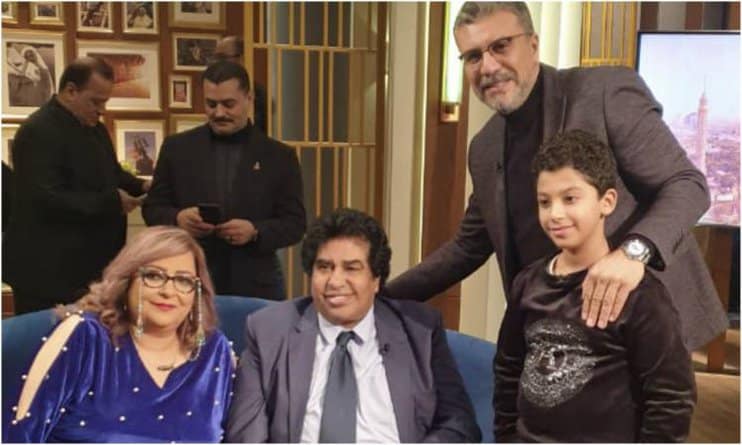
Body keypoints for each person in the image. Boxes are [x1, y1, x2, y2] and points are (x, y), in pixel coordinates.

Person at [385, 1, 727, 351]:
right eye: (473, 56)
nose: (488, 66)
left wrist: (631, 254)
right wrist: (377, 298)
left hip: (642, 329)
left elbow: (687, 185)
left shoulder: (603, 93)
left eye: (500, 46)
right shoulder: (485, 147)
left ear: (533, 44)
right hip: (555, 339)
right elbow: (467, 248)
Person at [494, 130, 695, 442]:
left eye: (570, 199)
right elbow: (508, 370)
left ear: (607, 202)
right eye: (544, 202)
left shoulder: (640, 296)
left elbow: (671, 399)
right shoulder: (528, 283)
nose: (555, 214)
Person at [225, 208, 481, 443]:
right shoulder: (269, 330)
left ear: (376, 279)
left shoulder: (420, 331)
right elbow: (245, 436)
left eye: (351, 268)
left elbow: (459, 425)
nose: (335, 282)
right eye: (324, 267)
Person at [3, 226, 235, 443]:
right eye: (153, 276)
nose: (168, 291)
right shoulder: (84, 336)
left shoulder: (215, 350)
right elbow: (20, 434)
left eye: (183, 280)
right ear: (126, 282)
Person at [143, 61, 306, 300]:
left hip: (257, 282)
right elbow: (152, 208)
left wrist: (255, 231)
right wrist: (178, 218)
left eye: (229, 104)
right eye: (211, 104)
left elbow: (295, 224)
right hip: (188, 278)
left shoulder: (279, 156)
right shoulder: (177, 148)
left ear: (249, 99)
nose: (219, 113)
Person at [2, 57, 149, 314]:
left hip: (87, 268)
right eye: (96, 101)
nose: (102, 110)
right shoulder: (38, 130)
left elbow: (112, 173)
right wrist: (112, 202)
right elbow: (46, 198)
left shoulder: (95, 129)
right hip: (47, 272)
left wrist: (144, 185)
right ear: (71, 91)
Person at [214, 35, 269, 133]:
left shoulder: (259, 95)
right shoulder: (213, 90)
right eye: (216, 58)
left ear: (241, 58)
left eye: (222, 57)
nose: (217, 63)